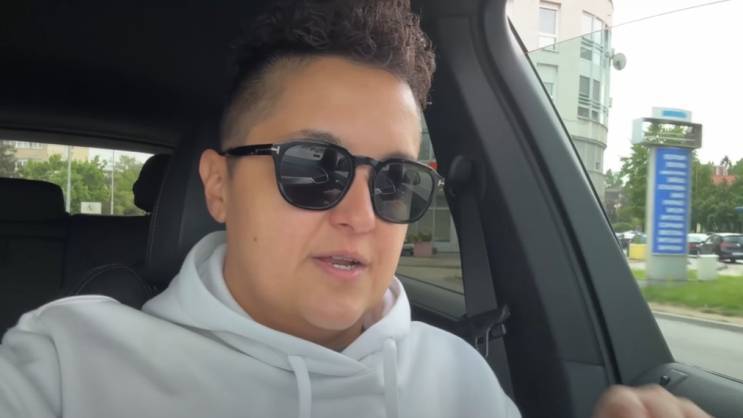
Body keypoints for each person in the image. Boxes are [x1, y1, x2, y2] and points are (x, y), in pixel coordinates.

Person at [0, 1, 711, 417]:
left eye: (395, 180)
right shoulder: (66, 364)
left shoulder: (460, 381)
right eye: (314, 167)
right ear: (218, 186)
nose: (361, 215)